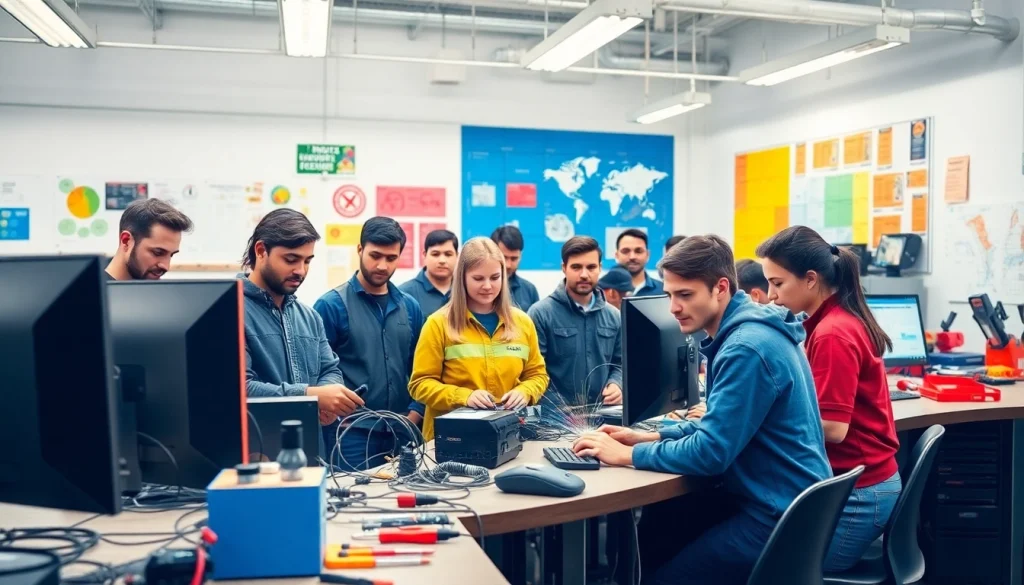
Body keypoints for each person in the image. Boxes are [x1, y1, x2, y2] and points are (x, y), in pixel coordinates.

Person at [572, 234, 831, 585]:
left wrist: (625, 455)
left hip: (776, 519)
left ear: (720, 288)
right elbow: (719, 424)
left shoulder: (746, 348)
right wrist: (650, 434)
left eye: (685, 295)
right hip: (789, 507)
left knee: (657, 572)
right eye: (669, 295)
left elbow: (711, 453)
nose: (673, 307)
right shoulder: (753, 333)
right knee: (659, 533)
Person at [756, 225, 901, 572]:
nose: (771, 295)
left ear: (810, 279)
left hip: (859, 495)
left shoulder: (833, 333)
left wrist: (759, 423)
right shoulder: (831, 320)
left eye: (777, 283)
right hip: (862, 484)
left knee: (774, 568)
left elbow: (833, 428)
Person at [241, 209, 364, 459]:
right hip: (256, 460)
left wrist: (330, 396)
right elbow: (240, 389)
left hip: (311, 458)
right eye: (291, 259)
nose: (301, 270)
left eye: (307, 260)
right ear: (261, 250)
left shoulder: (309, 316)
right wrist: (309, 397)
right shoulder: (231, 310)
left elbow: (330, 369)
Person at [313, 217, 426, 470]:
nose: (382, 265)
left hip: (403, 429)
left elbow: (421, 369)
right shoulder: (330, 306)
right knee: (354, 502)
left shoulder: (410, 307)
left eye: (391, 258)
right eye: (375, 255)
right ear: (360, 250)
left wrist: (415, 413)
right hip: (350, 433)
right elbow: (317, 374)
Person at [409, 237, 549, 441]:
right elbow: (419, 384)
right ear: (462, 277)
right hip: (451, 439)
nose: (487, 286)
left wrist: (525, 391)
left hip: (509, 436)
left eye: (495, 277)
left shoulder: (523, 323)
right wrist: (464, 396)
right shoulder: (438, 324)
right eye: (478, 278)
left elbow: (538, 375)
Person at [528, 236, 622, 407]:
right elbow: (533, 372)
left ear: (600, 268)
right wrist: (558, 409)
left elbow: (620, 364)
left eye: (591, 267)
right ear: (564, 268)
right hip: (555, 420)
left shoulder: (614, 316)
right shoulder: (541, 314)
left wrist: (617, 384)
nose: (584, 274)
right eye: (576, 267)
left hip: (605, 416)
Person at [105, 198, 194, 281]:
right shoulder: (92, 293)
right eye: (158, 253)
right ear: (126, 241)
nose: (166, 266)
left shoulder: (160, 294)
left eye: (171, 255)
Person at [400, 229, 458, 316]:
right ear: (424, 255)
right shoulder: (404, 294)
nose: (442, 260)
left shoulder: (466, 291)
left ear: (457, 256)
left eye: (448, 254)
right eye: (435, 254)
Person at [491, 225, 540, 311]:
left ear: (521, 256)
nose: (508, 265)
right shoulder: (480, 288)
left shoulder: (529, 290)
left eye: (514, 258)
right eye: (504, 257)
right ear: (491, 253)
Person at [614, 229, 663, 297]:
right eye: (625, 251)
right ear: (617, 255)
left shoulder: (663, 291)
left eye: (638, 251)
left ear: (647, 255)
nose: (632, 257)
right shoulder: (601, 292)